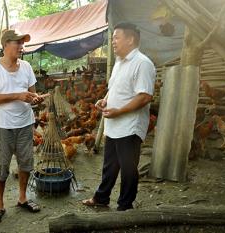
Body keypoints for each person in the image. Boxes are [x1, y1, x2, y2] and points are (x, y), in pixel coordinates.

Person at [82, 23, 156, 211]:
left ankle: (125, 206)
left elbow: (145, 96)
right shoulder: (120, 62)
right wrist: (104, 100)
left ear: (130, 39)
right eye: (113, 38)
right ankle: (102, 197)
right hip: (114, 124)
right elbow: (115, 88)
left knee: (128, 169)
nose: (112, 42)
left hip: (130, 126)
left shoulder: (142, 63)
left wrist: (119, 111)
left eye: (116, 37)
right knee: (109, 165)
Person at [0, 30, 46, 225]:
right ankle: (0, 205)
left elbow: (32, 95)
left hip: (25, 123)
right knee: (1, 166)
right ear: (5, 45)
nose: (21, 47)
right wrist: (18, 95)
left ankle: (22, 198)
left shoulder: (26, 67)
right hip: (2, 126)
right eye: (17, 43)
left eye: (22, 43)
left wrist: (36, 100)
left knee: (26, 163)